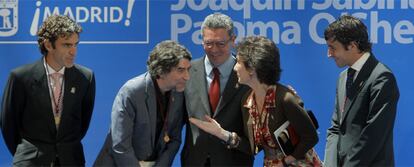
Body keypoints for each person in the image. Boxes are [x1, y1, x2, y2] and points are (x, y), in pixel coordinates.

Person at [190, 36, 322, 167]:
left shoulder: (285, 98)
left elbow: (311, 137)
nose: (235, 68)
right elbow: (252, 148)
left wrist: (285, 161)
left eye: (239, 62)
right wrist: (222, 133)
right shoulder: (247, 101)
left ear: (252, 69)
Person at [0, 15, 95, 166]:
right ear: (49, 45)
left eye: (76, 44)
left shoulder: (85, 78)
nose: (74, 51)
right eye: (66, 45)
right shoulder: (20, 77)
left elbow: (82, 124)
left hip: (71, 160)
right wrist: (28, 154)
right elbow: (8, 126)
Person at [93, 40, 192, 167]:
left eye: (188, 70)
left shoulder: (179, 94)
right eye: (180, 70)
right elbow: (120, 145)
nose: (187, 76)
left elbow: (174, 140)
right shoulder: (132, 91)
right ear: (162, 70)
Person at [323, 15, 399, 167]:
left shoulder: (382, 78)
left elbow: (373, 136)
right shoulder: (343, 77)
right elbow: (336, 127)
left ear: (352, 45)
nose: (329, 54)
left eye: (333, 47)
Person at [181, 13, 254, 166]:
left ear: (233, 40)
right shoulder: (186, 72)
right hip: (195, 161)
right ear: (202, 41)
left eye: (220, 43)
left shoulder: (249, 75)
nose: (214, 50)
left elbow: (256, 136)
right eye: (209, 43)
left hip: (235, 161)